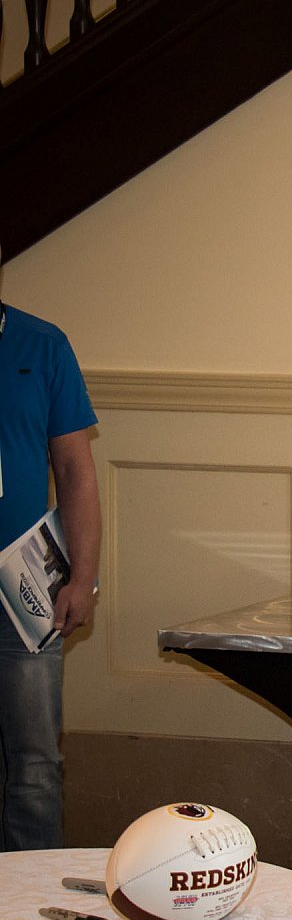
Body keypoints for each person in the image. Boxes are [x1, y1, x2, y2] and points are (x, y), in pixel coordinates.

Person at [0, 262, 102, 852]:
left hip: (24, 587)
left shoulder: (42, 345)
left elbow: (75, 472)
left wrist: (82, 579)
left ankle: (29, 898)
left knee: (35, 767)